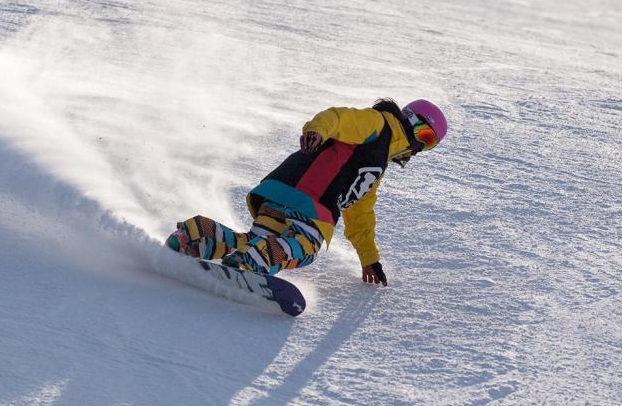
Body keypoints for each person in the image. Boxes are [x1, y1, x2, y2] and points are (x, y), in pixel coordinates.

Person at [166, 98, 447, 287]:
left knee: (258, 240)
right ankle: (254, 262)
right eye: (423, 135)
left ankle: (197, 234)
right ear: (410, 119)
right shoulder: (378, 124)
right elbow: (339, 117)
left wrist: (369, 258)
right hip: (311, 201)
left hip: (278, 191)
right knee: (306, 248)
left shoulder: (377, 162)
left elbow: (360, 212)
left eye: (429, 143)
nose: (419, 146)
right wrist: (318, 130)